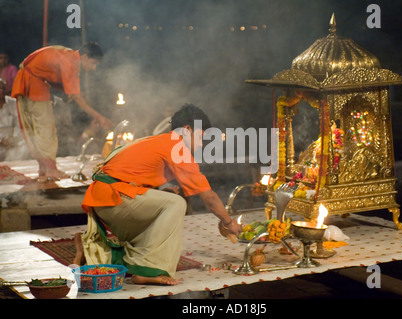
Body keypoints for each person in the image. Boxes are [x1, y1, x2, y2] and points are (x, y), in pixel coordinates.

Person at [76, 104, 242, 285]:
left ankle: (89, 252)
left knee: (166, 205)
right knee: (176, 204)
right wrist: (228, 222)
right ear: (187, 130)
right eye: (200, 138)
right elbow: (208, 197)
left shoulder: (159, 141)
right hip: (112, 199)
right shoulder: (176, 147)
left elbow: (129, 177)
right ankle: (150, 270)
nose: (201, 144)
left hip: (104, 199)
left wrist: (158, 191)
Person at [11, 42, 113, 180]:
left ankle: (44, 168)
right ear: (84, 57)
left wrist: (66, 93)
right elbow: (77, 97)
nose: (94, 68)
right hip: (33, 85)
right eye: (93, 63)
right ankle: (51, 170)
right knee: (45, 129)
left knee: (34, 130)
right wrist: (100, 117)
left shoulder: (68, 56)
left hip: (26, 81)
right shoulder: (71, 61)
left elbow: (55, 80)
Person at [0, 78, 28, 161]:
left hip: (13, 142)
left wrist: (13, 139)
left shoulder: (13, 103)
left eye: (3, 88)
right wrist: (1, 141)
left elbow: (19, 123)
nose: (1, 91)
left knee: (25, 146)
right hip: (1, 142)